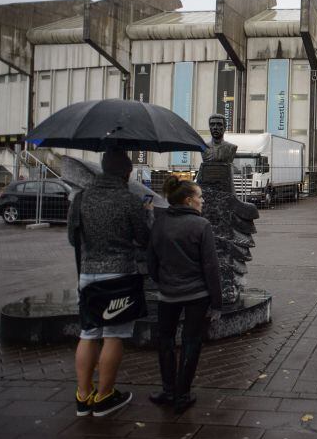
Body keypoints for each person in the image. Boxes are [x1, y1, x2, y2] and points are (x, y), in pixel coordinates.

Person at [68, 149, 152, 417]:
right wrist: (147, 213)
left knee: (88, 333)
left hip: (88, 274)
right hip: (119, 276)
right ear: (126, 173)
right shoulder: (129, 200)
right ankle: (104, 396)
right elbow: (144, 238)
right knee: (113, 335)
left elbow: (73, 238)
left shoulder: (81, 198)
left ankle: (83, 396)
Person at [147, 177, 222, 414]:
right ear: (189, 201)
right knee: (191, 342)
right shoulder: (201, 226)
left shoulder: (160, 222)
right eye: (199, 197)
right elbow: (211, 266)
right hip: (196, 294)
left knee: (165, 341)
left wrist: (163, 281)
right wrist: (217, 301)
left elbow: (152, 261)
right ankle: (183, 393)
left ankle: (168, 390)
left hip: (167, 294)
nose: (202, 201)